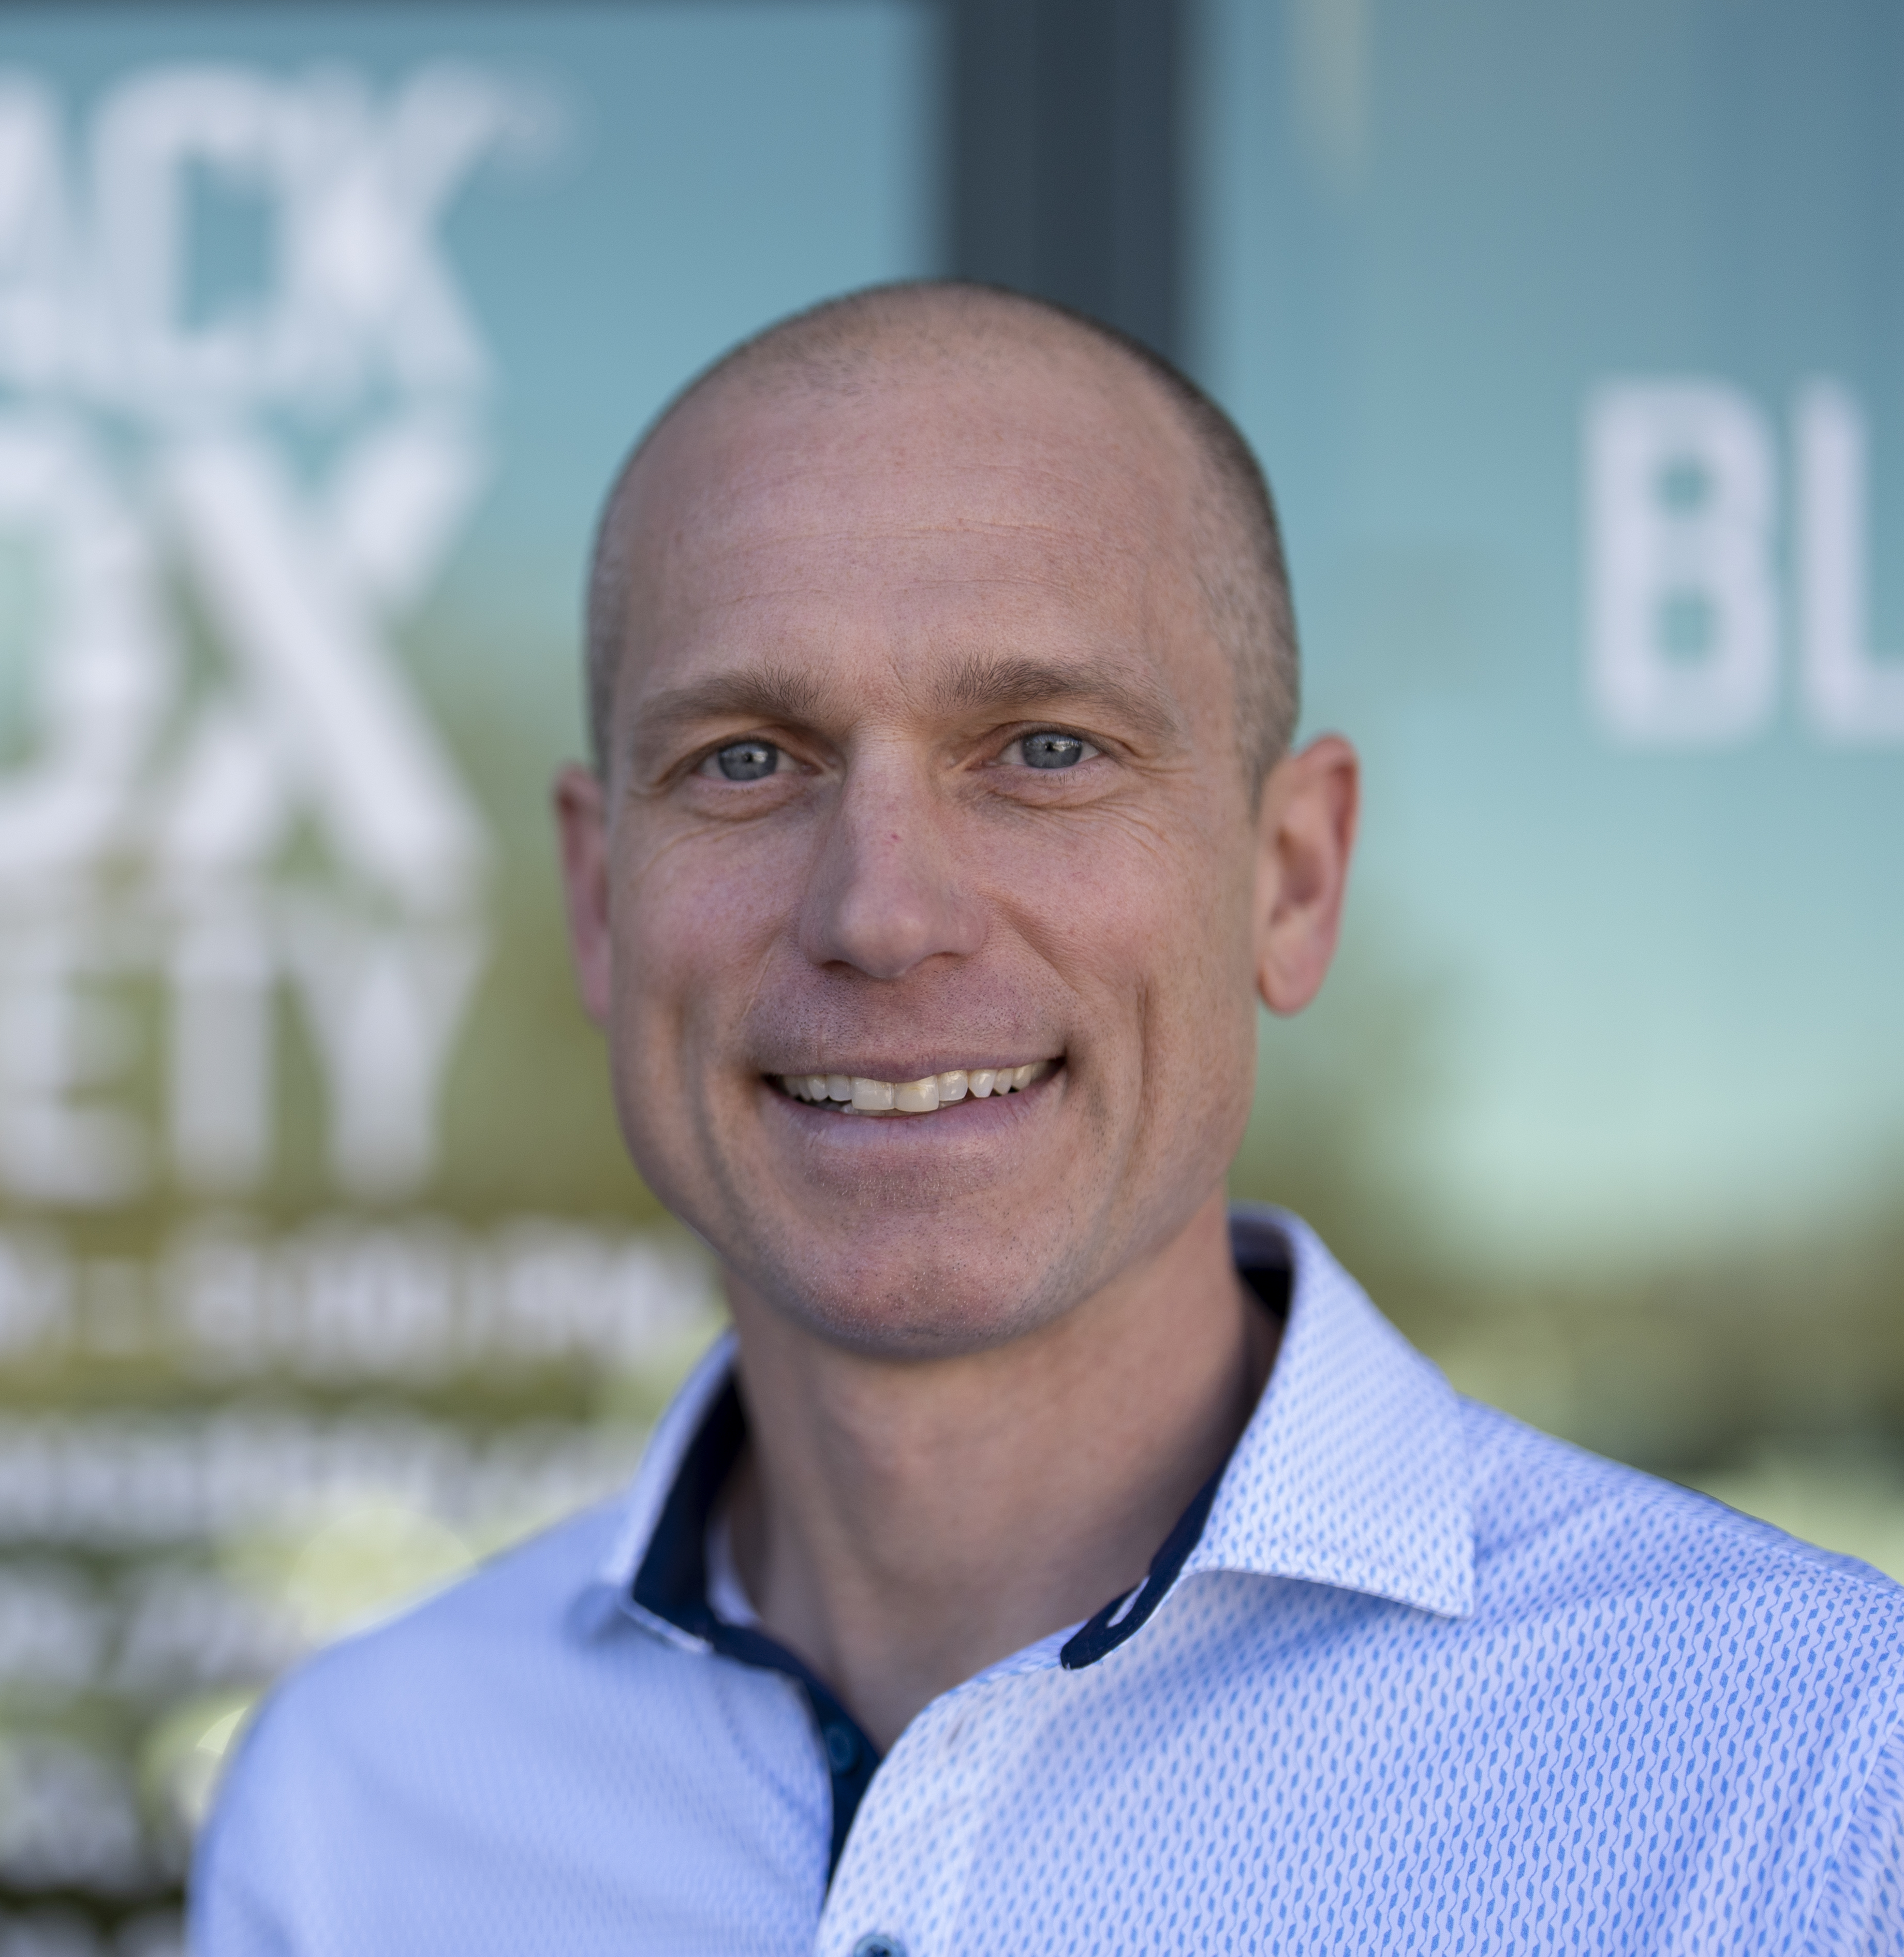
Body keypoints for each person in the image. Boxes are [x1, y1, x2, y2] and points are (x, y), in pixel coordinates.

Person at [189, 282, 1904, 1953]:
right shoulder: (359, 1805)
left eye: (1047, 749)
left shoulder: (1820, 1781)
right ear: (595, 894)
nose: (882, 911)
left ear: (1290, 879)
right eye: (746, 759)